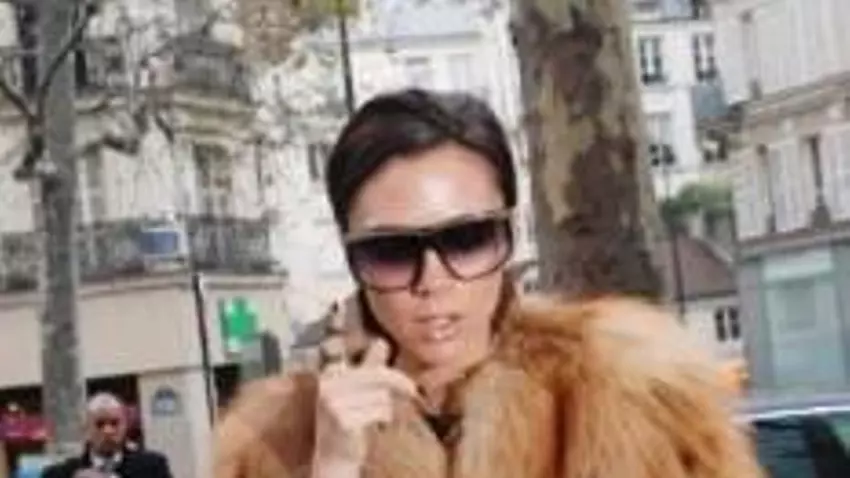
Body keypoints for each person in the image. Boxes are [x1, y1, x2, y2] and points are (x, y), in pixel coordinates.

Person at [213, 89, 764, 478]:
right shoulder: (274, 440)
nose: (433, 281)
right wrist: (333, 468)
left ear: (509, 235)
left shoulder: (628, 386)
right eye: (391, 250)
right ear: (350, 254)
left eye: (466, 239)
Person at [41, 393, 172, 478]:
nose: (108, 431)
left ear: (125, 426)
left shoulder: (153, 467)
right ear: (86, 430)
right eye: (99, 424)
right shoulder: (59, 475)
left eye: (115, 423)